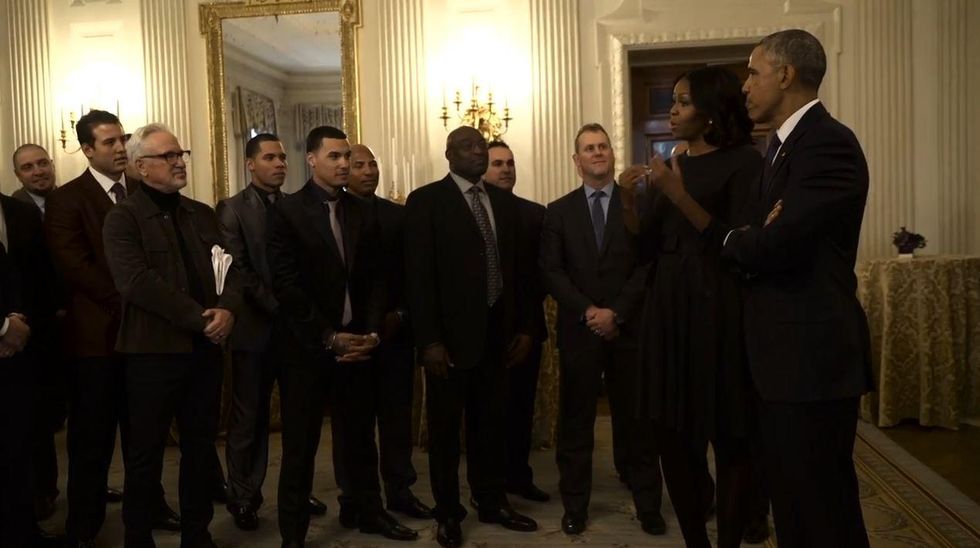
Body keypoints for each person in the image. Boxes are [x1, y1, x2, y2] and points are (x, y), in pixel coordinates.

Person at [645, 29, 872, 547]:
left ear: (786, 75)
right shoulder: (779, 148)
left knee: (824, 514)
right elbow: (758, 235)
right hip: (779, 360)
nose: (745, 85)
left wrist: (734, 231)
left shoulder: (827, 144)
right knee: (794, 511)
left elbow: (771, 247)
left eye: (753, 72)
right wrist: (752, 234)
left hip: (810, 359)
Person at [620, 66, 763, 548]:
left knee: (730, 436)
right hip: (667, 309)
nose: (672, 111)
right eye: (673, 101)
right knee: (671, 438)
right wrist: (629, 201)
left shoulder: (744, 162)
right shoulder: (674, 160)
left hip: (717, 307)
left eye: (683, 102)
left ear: (711, 112)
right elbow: (645, 248)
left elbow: (736, 243)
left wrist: (676, 194)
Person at [267, 126, 416, 547]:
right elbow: (287, 286)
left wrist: (369, 332)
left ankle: (369, 512)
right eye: (334, 156)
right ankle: (293, 533)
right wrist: (328, 336)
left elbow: (376, 280)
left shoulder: (360, 210)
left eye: (347, 156)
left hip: (356, 344)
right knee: (301, 446)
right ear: (311, 160)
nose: (344, 164)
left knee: (360, 439)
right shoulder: (287, 212)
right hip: (307, 349)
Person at [44, 110, 179, 546]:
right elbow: (76, 268)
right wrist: (135, 299)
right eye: (110, 142)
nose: (121, 148)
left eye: (123, 139)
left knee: (145, 436)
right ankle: (84, 525)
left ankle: (151, 507)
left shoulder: (144, 191)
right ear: (87, 150)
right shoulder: (68, 200)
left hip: (145, 340)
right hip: (96, 342)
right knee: (93, 440)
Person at [103, 123, 240, 548]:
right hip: (152, 354)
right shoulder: (124, 217)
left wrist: (228, 309)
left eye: (181, 154)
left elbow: (231, 268)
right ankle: (138, 537)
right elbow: (136, 282)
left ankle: (197, 535)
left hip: (204, 352)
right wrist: (200, 317)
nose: (179, 162)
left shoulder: (201, 213)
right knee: (145, 454)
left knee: (200, 449)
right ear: (141, 166)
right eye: (168, 156)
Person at [404, 126, 538, 548]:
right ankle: (448, 513)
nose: (478, 151)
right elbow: (418, 276)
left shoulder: (502, 201)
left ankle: (492, 500)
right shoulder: (426, 201)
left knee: (490, 426)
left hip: (498, 337)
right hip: (448, 342)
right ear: (449, 155)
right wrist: (429, 340)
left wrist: (524, 327)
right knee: (446, 434)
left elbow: (519, 271)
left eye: (481, 145)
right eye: (468, 146)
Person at [539, 123, 664, 537]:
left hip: (629, 332)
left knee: (637, 423)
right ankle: (575, 506)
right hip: (581, 331)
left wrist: (617, 313)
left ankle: (648, 506)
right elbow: (552, 271)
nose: (597, 153)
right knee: (576, 426)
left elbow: (647, 265)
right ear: (577, 161)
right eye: (589, 148)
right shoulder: (558, 211)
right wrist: (590, 311)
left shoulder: (637, 205)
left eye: (603, 146)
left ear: (611, 154)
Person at [334, 143, 433, 524]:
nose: (368, 171)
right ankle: (354, 498)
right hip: (350, 335)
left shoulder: (398, 215)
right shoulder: (335, 214)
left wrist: (401, 314)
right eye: (359, 165)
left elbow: (415, 272)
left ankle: (400, 490)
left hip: (395, 332)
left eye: (372, 164)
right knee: (351, 424)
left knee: (396, 417)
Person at [482, 140, 550, 503]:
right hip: (483, 331)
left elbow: (540, 277)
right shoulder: (470, 213)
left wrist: (527, 328)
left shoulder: (535, 214)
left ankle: (519, 476)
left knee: (521, 407)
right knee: (488, 413)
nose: (506, 169)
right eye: (497, 164)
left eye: (510, 163)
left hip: (525, 327)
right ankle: (490, 484)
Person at [0, 191, 65, 547]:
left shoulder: (19, 214)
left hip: (21, 349)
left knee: (18, 446)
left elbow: (17, 275)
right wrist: (3, 327)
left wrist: (15, 321)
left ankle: (23, 531)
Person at [10, 143, 67, 522]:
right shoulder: (15, 210)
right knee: (40, 419)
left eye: (42, 163)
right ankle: (43, 491)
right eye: (28, 167)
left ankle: (85, 486)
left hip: (74, 322)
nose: (38, 171)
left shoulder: (68, 201)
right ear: (18, 175)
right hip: (34, 329)